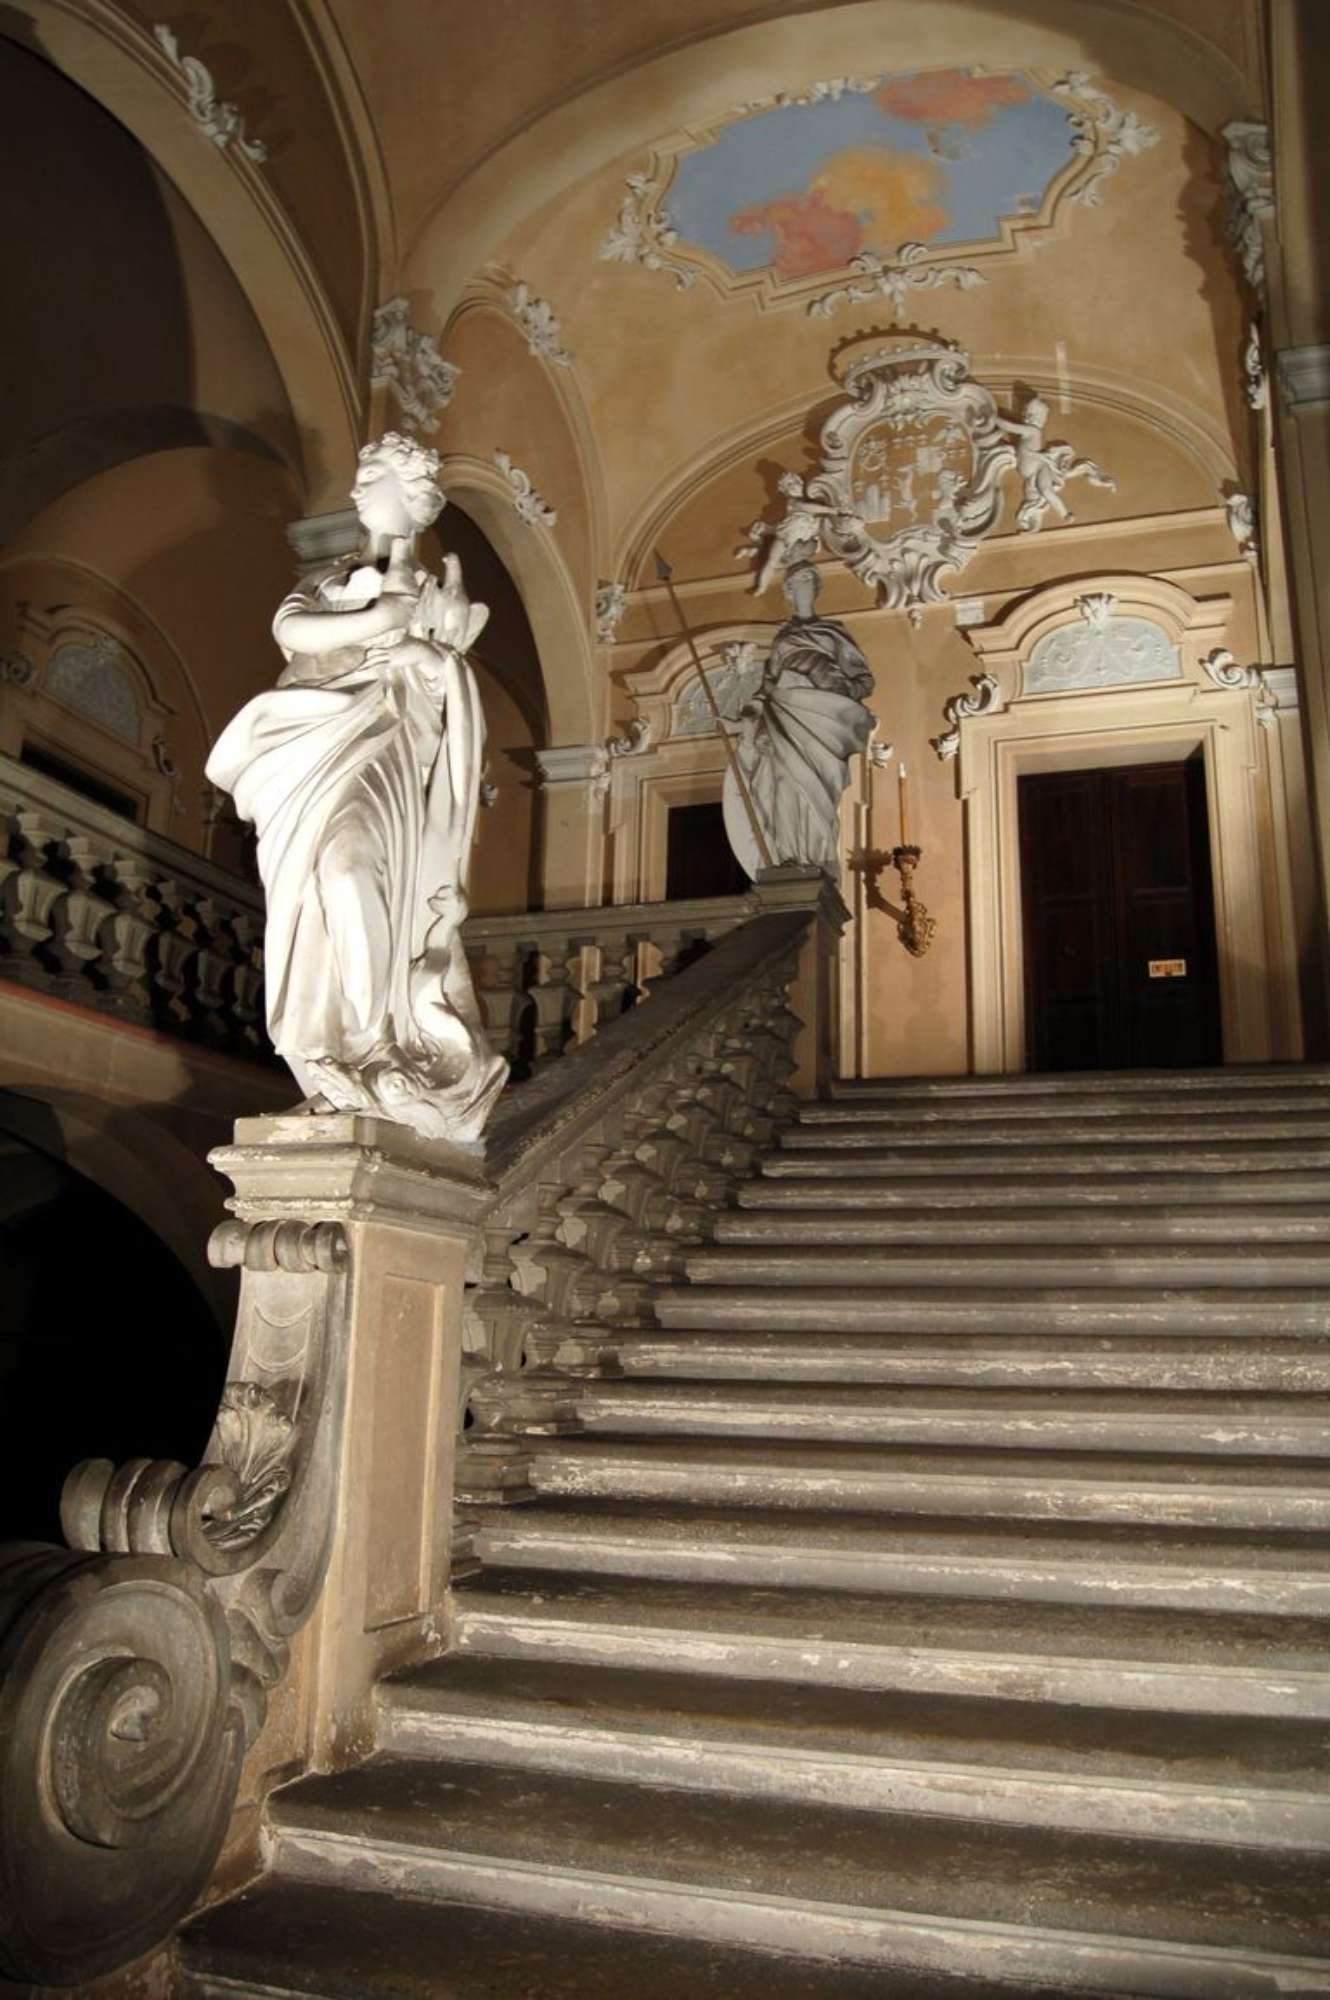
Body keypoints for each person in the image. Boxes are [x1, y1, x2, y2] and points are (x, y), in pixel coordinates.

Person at [205, 432, 507, 1143]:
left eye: (373, 476)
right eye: (363, 475)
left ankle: (375, 1043)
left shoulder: (434, 594)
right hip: (310, 748)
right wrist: (379, 620)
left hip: (387, 754)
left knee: (350, 875)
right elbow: (291, 629)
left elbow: (451, 688)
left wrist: (430, 652)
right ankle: (335, 1049)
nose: (357, 487)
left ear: (414, 497)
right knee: (310, 900)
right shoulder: (329, 579)